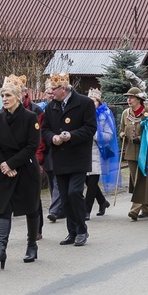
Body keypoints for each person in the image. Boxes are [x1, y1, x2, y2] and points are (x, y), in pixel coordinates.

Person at [0, 75, 42, 268]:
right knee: (3, 209)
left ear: (18, 97)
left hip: (25, 169)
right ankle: (0, 250)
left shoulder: (30, 117)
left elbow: (32, 146)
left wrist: (11, 164)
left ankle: (32, 245)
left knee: (31, 207)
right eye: (2, 95)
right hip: (5, 171)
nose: (4, 99)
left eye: (8, 95)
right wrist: (3, 164)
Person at [41, 72, 97, 246]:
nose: (51, 93)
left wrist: (70, 135)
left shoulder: (85, 103)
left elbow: (90, 128)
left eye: (53, 89)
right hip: (59, 158)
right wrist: (52, 138)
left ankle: (82, 229)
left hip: (78, 157)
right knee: (64, 197)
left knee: (74, 192)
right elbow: (45, 129)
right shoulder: (51, 107)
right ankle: (71, 232)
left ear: (63, 89)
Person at [119, 87, 148, 220]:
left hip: (145, 151)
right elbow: (121, 129)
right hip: (130, 152)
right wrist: (122, 135)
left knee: (141, 179)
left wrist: (141, 138)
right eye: (128, 98)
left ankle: (135, 209)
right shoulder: (125, 113)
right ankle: (145, 208)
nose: (129, 100)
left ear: (139, 99)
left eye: (131, 97)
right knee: (135, 179)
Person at [85, 88, 117, 220]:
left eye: (94, 101)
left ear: (99, 102)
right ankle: (103, 202)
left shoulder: (104, 114)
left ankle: (86, 210)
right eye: (90, 101)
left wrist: (95, 134)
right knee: (87, 180)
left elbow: (110, 135)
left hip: (98, 151)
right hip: (85, 152)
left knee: (92, 181)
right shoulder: (84, 113)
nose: (92, 104)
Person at [40, 81, 64, 223]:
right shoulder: (42, 108)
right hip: (46, 149)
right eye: (48, 93)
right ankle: (61, 208)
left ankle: (54, 210)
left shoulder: (58, 107)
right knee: (51, 180)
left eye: (52, 92)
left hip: (57, 148)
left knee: (57, 181)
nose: (50, 95)